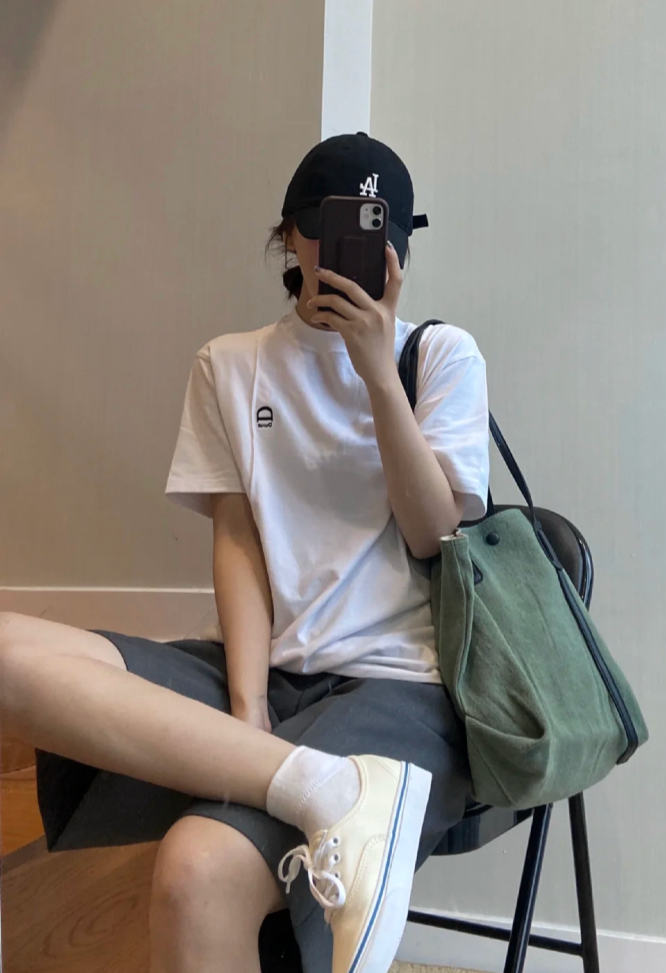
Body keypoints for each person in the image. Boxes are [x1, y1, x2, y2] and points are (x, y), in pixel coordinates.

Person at [0, 132, 490, 973]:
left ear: (402, 246)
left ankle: (333, 785)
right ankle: (325, 787)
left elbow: (430, 533)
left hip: (398, 681)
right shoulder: (229, 365)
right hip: (266, 665)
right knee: (9, 652)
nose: (353, 248)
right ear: (290, 235)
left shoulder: (440, 356)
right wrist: (248, 700)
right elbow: (238, 538)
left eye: (379, 227)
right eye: (331, 224)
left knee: (197, 870)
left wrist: (378, 375)